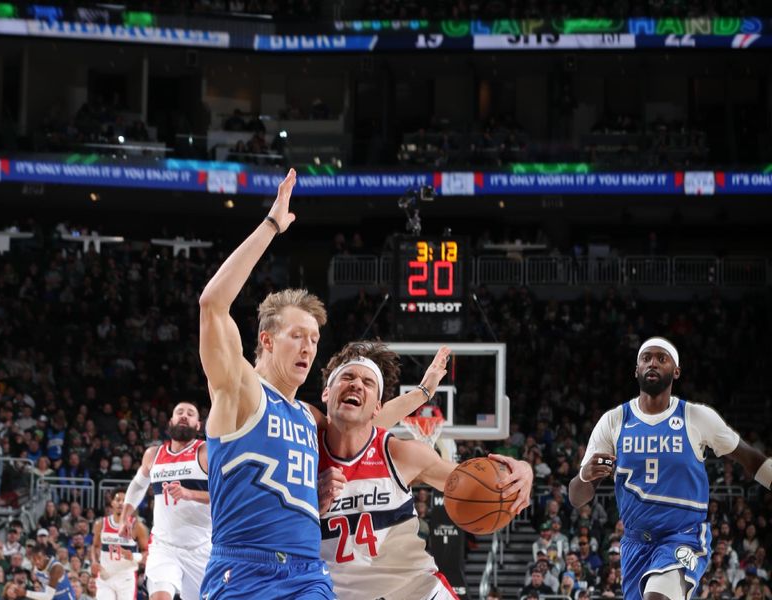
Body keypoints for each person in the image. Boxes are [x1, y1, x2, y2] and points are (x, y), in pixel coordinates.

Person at [198, 169, 441, 599]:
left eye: (314, 338)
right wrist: (271, 225)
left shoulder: (307, 415)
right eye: (297, 336)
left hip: (308, 573)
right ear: (266, 341)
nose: (309, 347)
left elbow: (371, 418)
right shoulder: (242, 392)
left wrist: (422, 393)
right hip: (245, 569)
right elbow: (213, 305)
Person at [317, 341, 534, 599]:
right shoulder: (302, 444)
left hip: (417, 591)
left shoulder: (401, 454)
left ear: (377, 407)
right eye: (348, 377)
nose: (356, 384)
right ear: (326, 393)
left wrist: (522, 470)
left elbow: (477, 484)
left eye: (367, 382)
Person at [570, 337, 772, 600]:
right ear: (636, 370)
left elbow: (752, 460)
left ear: (676, 371)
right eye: (646, 358)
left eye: (661, 358)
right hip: (634, 544)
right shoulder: (614, 421)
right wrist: (585, 475)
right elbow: (576, 498)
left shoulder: (696, 417)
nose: (652, 362)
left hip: (682, 537)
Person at [118, 402, 210, 600]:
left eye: (190, 413)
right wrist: (125, 516)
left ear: (198, 425)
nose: (184, 416)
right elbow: (137, 485)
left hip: (202, 547)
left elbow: (225, 496)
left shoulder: (206, 452)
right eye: (179, 412)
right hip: (164, 546)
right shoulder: (153, 454)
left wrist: (190, 493)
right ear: (171, 422)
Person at [92, 491, 149, 600]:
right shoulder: (101, 524)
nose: (121, 503)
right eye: (118, 500)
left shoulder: (137, 526)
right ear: (112, 503)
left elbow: (147, 552)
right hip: (106, 577)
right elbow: (95, 546)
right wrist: (94, 561)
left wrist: (134, 556)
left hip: (126, 579)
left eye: (124, 500)